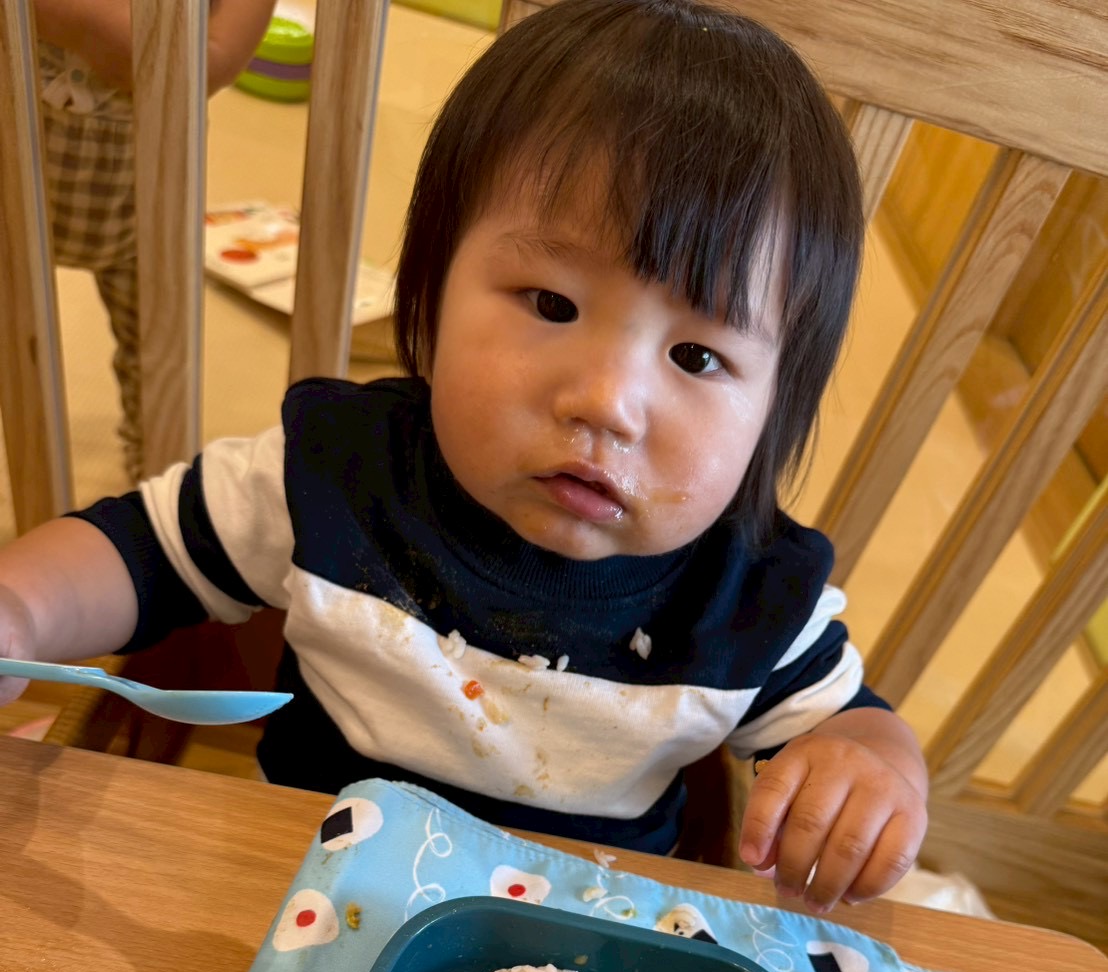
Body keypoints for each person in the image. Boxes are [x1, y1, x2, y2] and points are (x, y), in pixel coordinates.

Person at [0, 0, 929, 915]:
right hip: (303, 910)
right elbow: (143, 548)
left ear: (773, 407)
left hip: (581, 958)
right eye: (552, 304)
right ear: (431, 288)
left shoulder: (747, 594)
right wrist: (21, 610)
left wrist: (867, 773)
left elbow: (853, 726)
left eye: (696, 356)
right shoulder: (337, 475)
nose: (605, 401)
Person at [33, 0, 277, 481]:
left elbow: (208, 63)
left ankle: (155, 474)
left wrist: (96, 29)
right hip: (18, 167)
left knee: (158, 355)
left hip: (147, 197)